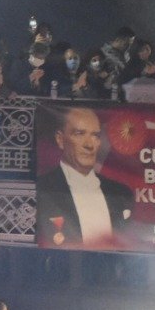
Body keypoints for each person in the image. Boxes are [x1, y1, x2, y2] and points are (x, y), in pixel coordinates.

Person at [34, 106, 135, 248]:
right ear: (60, 139)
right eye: (79, 134)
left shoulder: (121, 193)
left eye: (95, 135)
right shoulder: (42, 188)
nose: (89, 145)